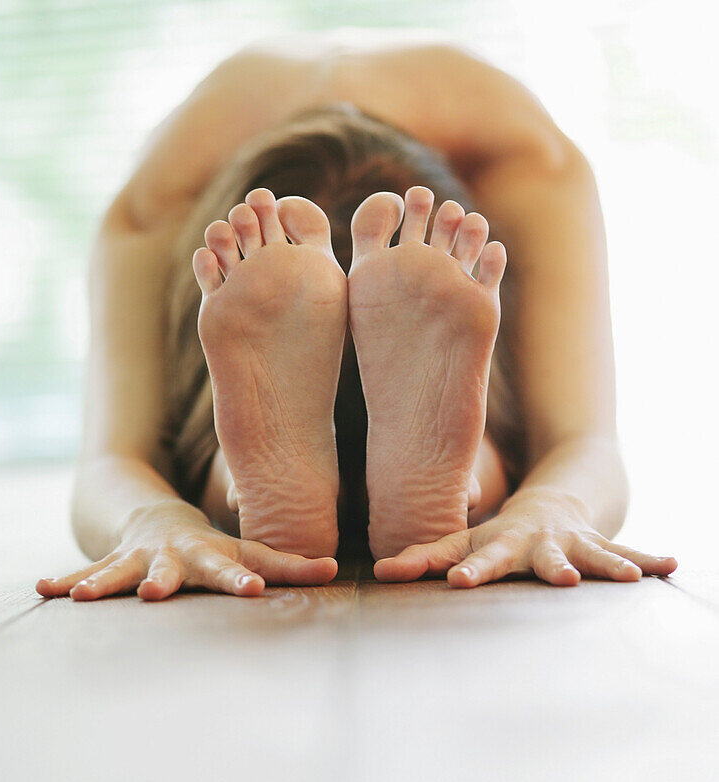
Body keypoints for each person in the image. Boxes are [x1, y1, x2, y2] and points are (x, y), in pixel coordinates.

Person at [36, 32, 676, 601]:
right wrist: (551, 503)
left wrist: (153, 519)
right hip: (441, 209)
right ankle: (468, 481)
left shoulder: (152, 208)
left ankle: (230, 480)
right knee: (469, 425)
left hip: (230, 215)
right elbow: (583, 439)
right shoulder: (534, 164)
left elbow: (112, 460)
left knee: (217, 445)